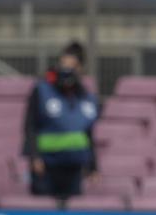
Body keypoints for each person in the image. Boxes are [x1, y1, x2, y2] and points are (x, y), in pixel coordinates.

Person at [23, 42, 99, 201]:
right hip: (46, 166)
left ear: (80, 68)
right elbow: (30, 125)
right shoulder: (42, 90)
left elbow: (88, 134)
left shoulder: (86, 98)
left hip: (73, 167)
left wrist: (92, 166)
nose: (67, 69)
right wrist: (34, 156)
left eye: (73, 65)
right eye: (64, 64)